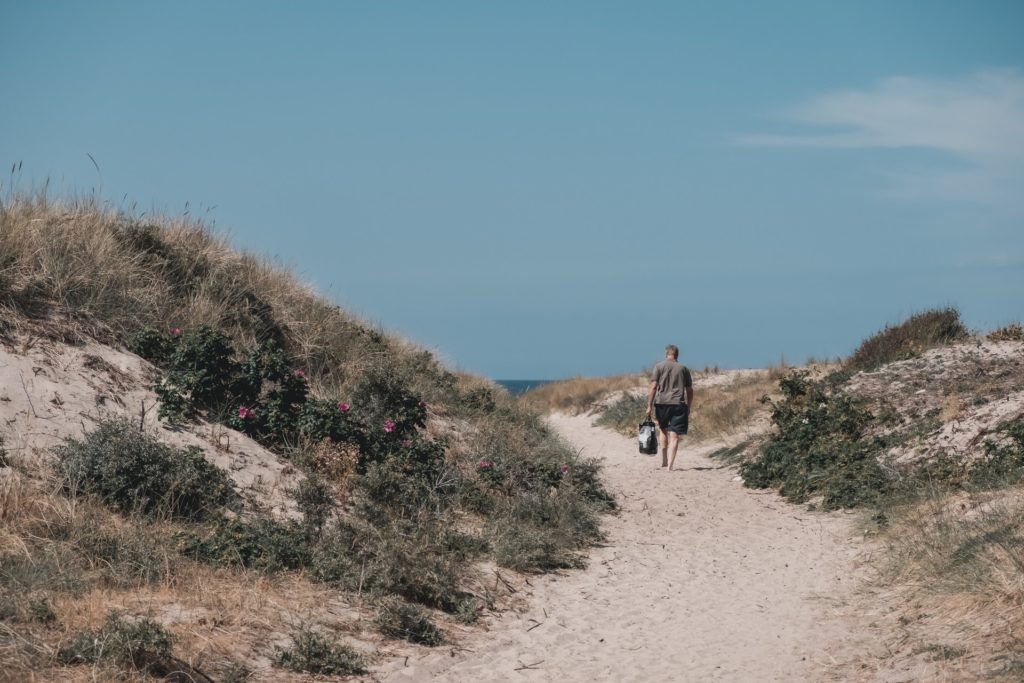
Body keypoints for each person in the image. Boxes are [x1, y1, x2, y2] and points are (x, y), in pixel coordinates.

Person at [645, 344, 693, 470]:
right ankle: (670, 466)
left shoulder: (659, 366)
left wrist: (649, 405)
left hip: (661, 403)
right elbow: (689, 389)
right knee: (674, 435)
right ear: (677, 355)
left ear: (666, 354)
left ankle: (664, 459)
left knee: (663, 430)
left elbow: (654, 386)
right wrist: (689, 406)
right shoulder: (683, 368)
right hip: (678, 403)